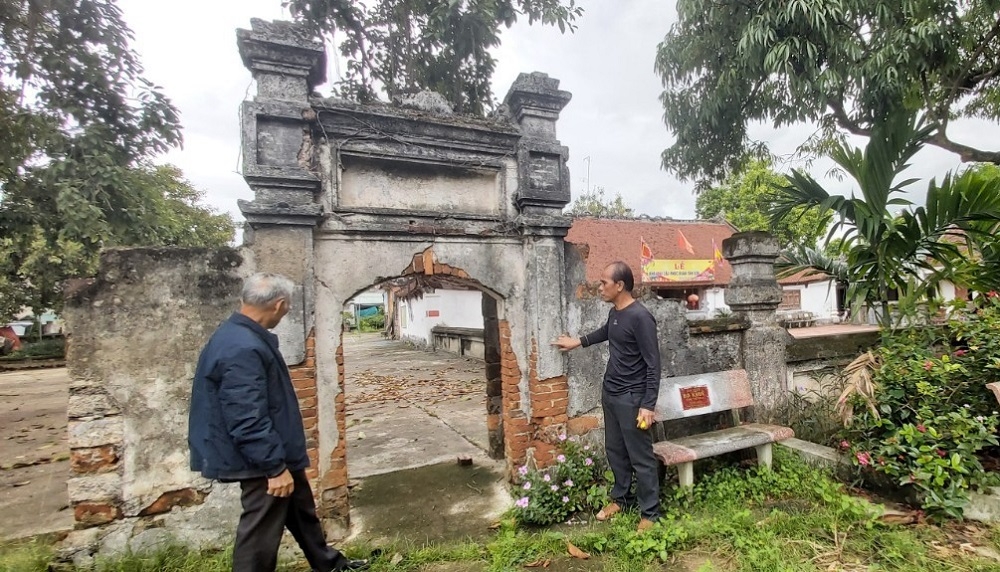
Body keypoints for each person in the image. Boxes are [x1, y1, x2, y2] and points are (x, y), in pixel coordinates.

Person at [189, 273, 369, 572]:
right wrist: (273, 467)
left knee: (301, 512)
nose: (286, 313)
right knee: (259, 534)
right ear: (280, 305)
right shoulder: (242, 347)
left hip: (276, 450)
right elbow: (246, 416)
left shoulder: (239, 336)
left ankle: (330, 565)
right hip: (261, 460)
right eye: (287, 308)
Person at [553, 261, 662, 532]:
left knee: (641, 455)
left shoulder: (641, 317)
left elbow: (653, 364)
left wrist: (647, 405)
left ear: (620, 285)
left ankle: (650, 514)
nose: (599, 287)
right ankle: (621, 500)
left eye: (604, 283)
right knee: (615, 451)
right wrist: (577, 341)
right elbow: (607, 332)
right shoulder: (616, 313)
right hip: (611, 393)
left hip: (632, 397)